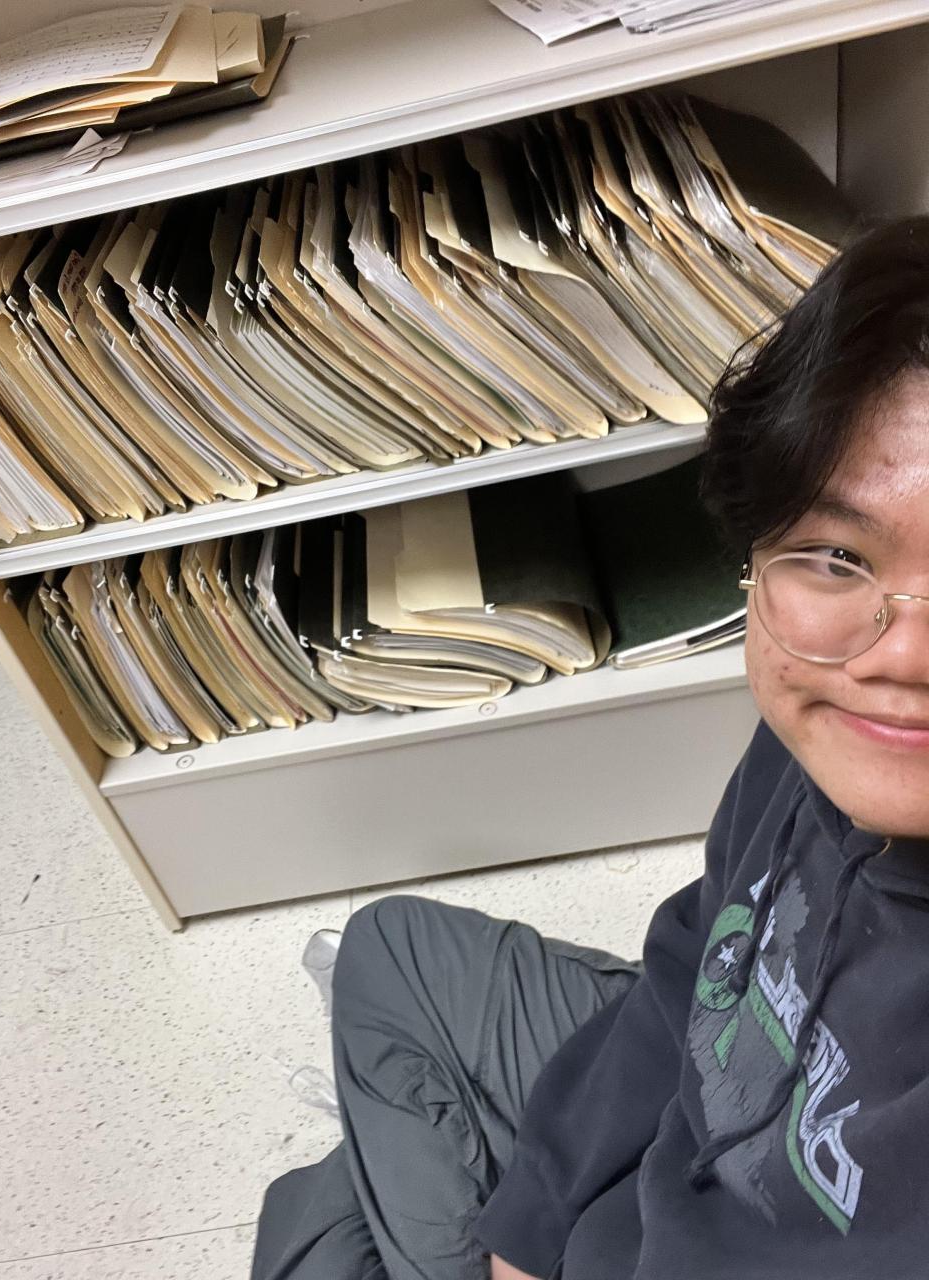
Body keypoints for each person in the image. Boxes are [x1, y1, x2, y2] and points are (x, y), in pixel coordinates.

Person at [251, 216, 929, 1280]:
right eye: (837, 556)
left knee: (308, 1230)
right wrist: (528, 1221)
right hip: (677, 1133)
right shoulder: (822, 731)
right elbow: (696, 958)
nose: (901, 654)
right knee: (389, 951)